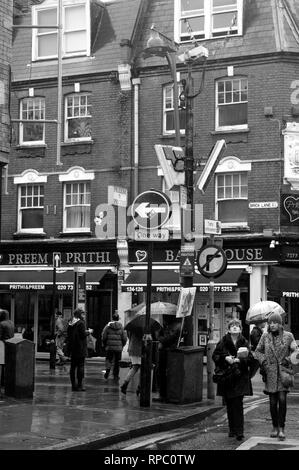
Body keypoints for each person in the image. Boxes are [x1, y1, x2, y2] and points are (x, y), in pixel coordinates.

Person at [254, 311, 298, 441]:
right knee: (273, 403)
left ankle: (282, 428)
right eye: (270, 323)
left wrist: (290, 358)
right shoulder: (265, 336)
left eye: (275, 323)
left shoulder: (288, 336)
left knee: (282, 400)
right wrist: (265, 362)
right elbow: (257, 351)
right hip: (271, 372)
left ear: (280, 324)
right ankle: (274, 426)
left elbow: (296, 352)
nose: (272, 325)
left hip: (284, 372)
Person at [212, 318, 254, 441]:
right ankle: (232, 429)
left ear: (240, 329)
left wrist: (239, 360)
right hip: (227, 376)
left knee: (238, 404)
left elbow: (250, 359)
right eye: (232, 326)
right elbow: (215, 355)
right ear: (228, 329)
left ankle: (239, 431)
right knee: (230, 403)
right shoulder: (223, 341)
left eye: (237, 325)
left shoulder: (244, 341)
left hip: (240, 376)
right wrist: (225, 358)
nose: (235, 327)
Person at [65, 308, 92, 392]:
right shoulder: (81, 323)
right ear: (79, 315)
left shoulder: (70, 323)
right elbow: (82, 335)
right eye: (83, 314)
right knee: (81, 366)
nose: (84, 315)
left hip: (73, 348)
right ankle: (80, 385)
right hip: (80, 348)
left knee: (73, 367)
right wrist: (89, 332)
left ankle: (73, 385)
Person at [155, 319, 181, 402]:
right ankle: (162, 394)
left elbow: (167, 339)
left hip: (168, 353)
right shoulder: (168, 326)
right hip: (165, 352)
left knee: (163, 373)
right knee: (160, 373)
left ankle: (164, 395)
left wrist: (158, 336)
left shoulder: (175, 326)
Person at [102, 312, 127, 380]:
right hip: (118, 348)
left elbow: (103, 336)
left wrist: (105, 344)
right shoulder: (121, 326)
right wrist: (122, 345)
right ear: (118, 319)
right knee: (117, 361)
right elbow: (124, 338)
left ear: (112, 318)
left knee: (109, 360)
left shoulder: (107, 326)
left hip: (109, 347)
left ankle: (107, 371)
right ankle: (116, 375)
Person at [120, 329, 143, 395]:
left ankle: (125, 385)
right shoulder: (140, 327)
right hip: (138, 349)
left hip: (132, 347)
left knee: (135, 367)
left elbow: (129, 336)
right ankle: (139, 387)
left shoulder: (131, 327)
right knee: (140, 368)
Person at [0, 309, 14, 392]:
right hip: (10, 344)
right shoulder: (11, 323)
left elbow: (0, 335)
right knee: (7, 365)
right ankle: (6, 381)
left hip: (2, 345)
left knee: (1, 364)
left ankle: (1, 381)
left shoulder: (1, 324)